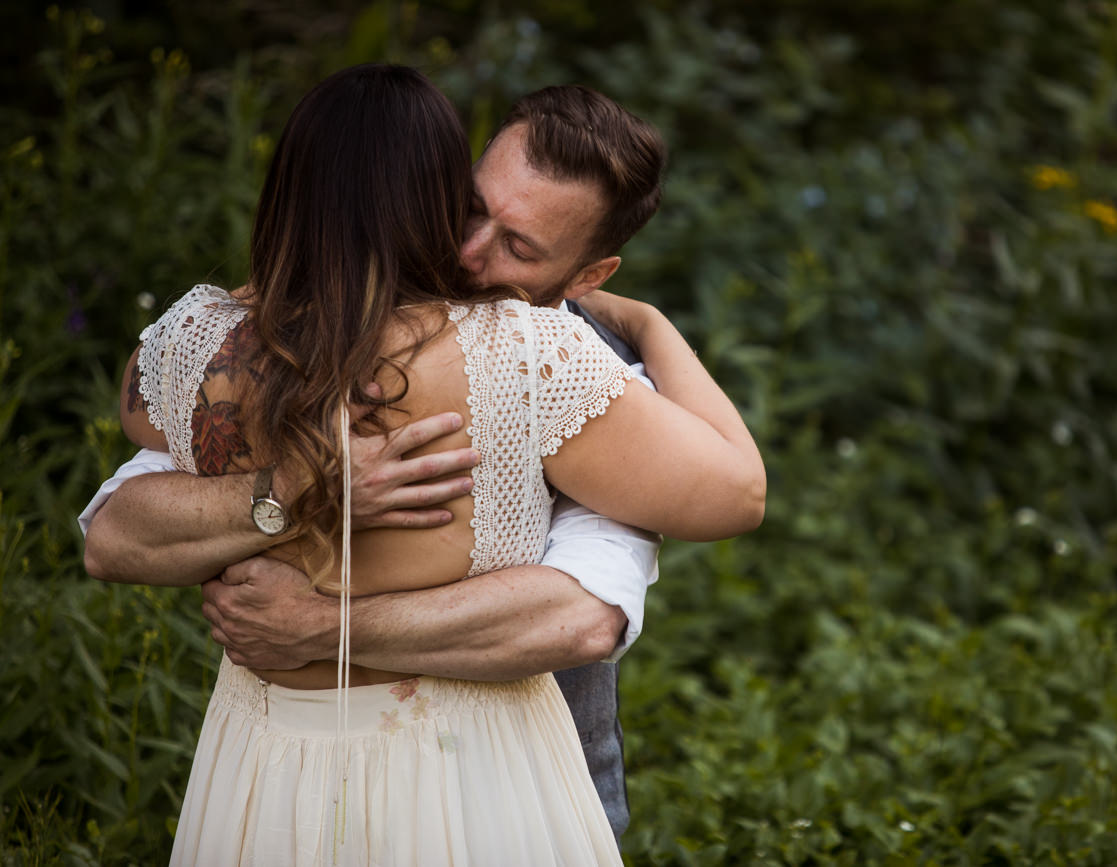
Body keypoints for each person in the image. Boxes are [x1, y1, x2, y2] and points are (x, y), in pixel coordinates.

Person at [98, 64, 764, 865]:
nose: (472, 254)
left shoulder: (204, 345)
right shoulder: (532, 354)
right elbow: (739, 491)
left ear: (588, 279)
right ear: (436, 187)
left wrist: (644, 323)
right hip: (466, 763)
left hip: (298, 757)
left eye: (517, 245)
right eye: (469, 209)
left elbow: (141, 414)